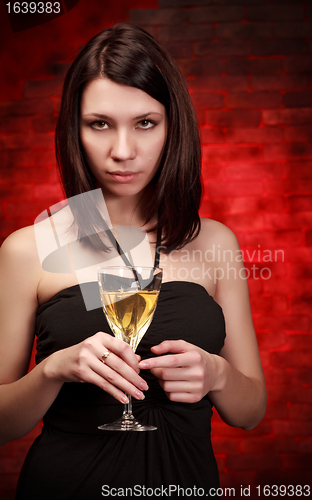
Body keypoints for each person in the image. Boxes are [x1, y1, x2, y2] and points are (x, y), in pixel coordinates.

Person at [0, 23, 266, 499]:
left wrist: (218, 374)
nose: (122, 152)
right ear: (73, 129)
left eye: (145, 122)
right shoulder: (27, 250)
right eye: (99, 123)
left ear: (173, 125)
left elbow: (250, 412)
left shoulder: (216, 243)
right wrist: (52, 370)